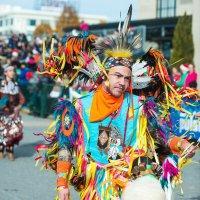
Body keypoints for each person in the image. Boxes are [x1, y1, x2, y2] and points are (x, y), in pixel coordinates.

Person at [36, 5, 198, 200]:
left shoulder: (140, 105)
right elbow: (65, 147)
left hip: (129, 178)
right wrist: (62, 185)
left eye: (127, 78)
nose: (122, 82)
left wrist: (181, 145)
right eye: (117, 76)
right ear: (104, 76)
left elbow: (161, 135)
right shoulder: (79, 107)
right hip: (95, 183)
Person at [0, 65, 25, 160]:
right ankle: (1, 149)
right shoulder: (1, 84)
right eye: (10, 71)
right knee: (3, 131)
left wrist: (18, 107)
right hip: (3, 112)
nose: (12, 72)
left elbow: (22, 99)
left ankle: (10, 150)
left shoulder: (16, 85)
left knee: (14, 132)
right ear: (5, 72)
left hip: (14, 113)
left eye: (13, 70)